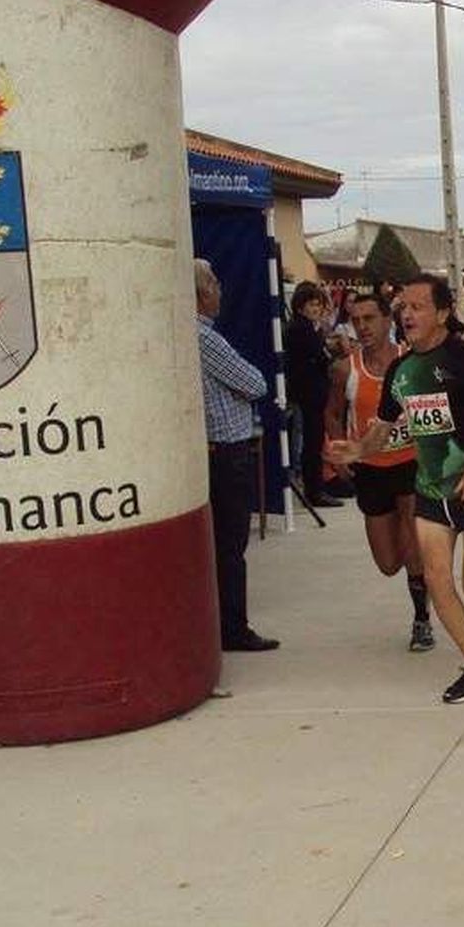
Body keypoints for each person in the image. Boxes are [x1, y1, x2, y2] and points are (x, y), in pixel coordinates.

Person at [328, 274, 464, 704]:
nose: (407, 315)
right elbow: (383, 429)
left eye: (418, 307)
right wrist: (358, 449)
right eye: (403, 308)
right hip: (429, 491)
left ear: (443, 313)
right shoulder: (402, 370)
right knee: (435, 577)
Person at [331, 291, 434, 652]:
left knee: (414, 540)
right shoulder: (345, 369)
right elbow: (331, 413)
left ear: (388, 320)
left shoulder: (413, 360)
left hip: (411, 463)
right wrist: (338, 453)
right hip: (371, 470)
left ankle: (422, 618)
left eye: (370, 318)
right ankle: (418, 559)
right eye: (356, 320)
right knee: (389, 563)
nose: (363, 327)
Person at [195, 258, 278, 653]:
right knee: (230, 545)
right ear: (202, 293)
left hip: (216, 451)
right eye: (215, 284)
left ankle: (223, 623)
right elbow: (255, 383)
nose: (220, 291)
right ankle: (233, 627)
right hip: (227, 452)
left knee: (222, 544)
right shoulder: (205, 338)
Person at [284, 280, 341, 509]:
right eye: (312, 304)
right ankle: (314, 491)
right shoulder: (302, 329)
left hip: (311, 392)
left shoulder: (306, 328)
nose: (316, 309)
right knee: (311, 443)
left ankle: (316, 487)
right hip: (308, 394)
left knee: (314, 442)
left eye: (318, 304)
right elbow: (321, 356)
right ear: (301, 306)